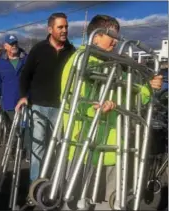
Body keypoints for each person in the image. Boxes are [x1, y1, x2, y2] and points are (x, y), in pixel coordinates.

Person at [61, 14, 163, 210]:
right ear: (96, 35)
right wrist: (95, 106)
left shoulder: (112, 64)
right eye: (111, 36)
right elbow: (75, 100)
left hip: (113, 148)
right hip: (85, 148)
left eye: (118, 37)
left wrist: (148, 88)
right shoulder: (81, 60)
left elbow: (128, 95)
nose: (116, 42)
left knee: (108, 204)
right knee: (75, 203)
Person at [15, 12, 75, 203]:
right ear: (50, 29)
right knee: (38, 149)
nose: (64, 30)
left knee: (59, 149)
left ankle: (56, 187)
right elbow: (25, 75)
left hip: (61, 108)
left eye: (66, 26)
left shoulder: (71, 51)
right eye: (60, 27)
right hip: (39, 106)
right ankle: (35, 188)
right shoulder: (38, 50)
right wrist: (23, 96)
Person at [0, 34, 27, 139]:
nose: (14, 46)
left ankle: (24, 153)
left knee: (25, 131)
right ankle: (12, 152)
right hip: (9, 103)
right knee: (12, 132)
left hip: (25, 102)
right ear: (5, 46)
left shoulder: (27, 59)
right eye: (11, 44)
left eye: (15, 43)